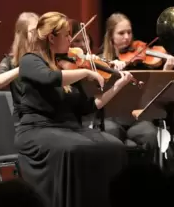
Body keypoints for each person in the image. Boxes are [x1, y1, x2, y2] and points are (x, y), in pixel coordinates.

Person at [15, 11, 133, 207]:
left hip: (69, 129)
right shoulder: (30, 61)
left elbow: (87, 107)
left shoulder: (68, 66)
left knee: (115, 146)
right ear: (51, 38)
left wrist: (117, 86)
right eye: (67, 34)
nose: (71, 39)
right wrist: (86, 71)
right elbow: (50, 78)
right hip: (37, 130)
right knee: (73, 149)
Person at [98, 12, 174, 160]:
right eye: (121, 33)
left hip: (138, 118)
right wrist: (111, 69)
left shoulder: (141, 60)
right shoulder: (102, 60)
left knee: (151, 136)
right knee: (110, 138)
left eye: (129, 32)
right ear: (111, 36)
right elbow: (96, 90)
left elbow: (155, 91)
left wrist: (166, 69)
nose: (127, 37)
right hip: (111, 118)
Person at [0, 12, 39, 124]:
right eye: (33, 32)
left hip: (46, 119)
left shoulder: (47, 57)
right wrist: (23, 68)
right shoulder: (10, 61)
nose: (38, 35)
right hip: (22, 121)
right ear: (22, 35)